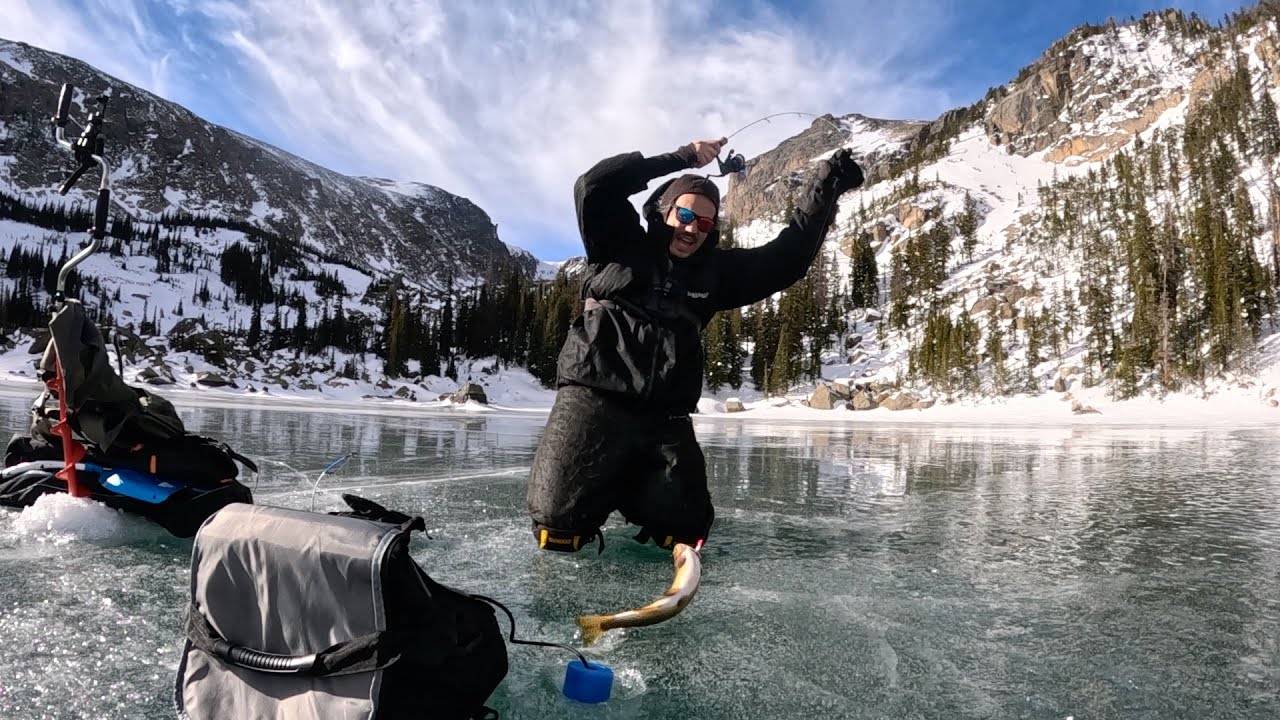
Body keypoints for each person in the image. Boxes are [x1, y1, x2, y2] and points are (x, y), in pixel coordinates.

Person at [526, 137, 864, 553]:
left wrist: (828, 184)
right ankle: (602, 489)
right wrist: (683, 157)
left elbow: (788, 258)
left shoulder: (717, 273)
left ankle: (633, 490)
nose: (692, 228)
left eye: (704, 223)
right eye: (685, 215)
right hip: (594, 399)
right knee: (558, 527)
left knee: (686, 532)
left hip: (664, 417)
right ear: (664, 212)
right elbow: (594, 185)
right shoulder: (617, 243)